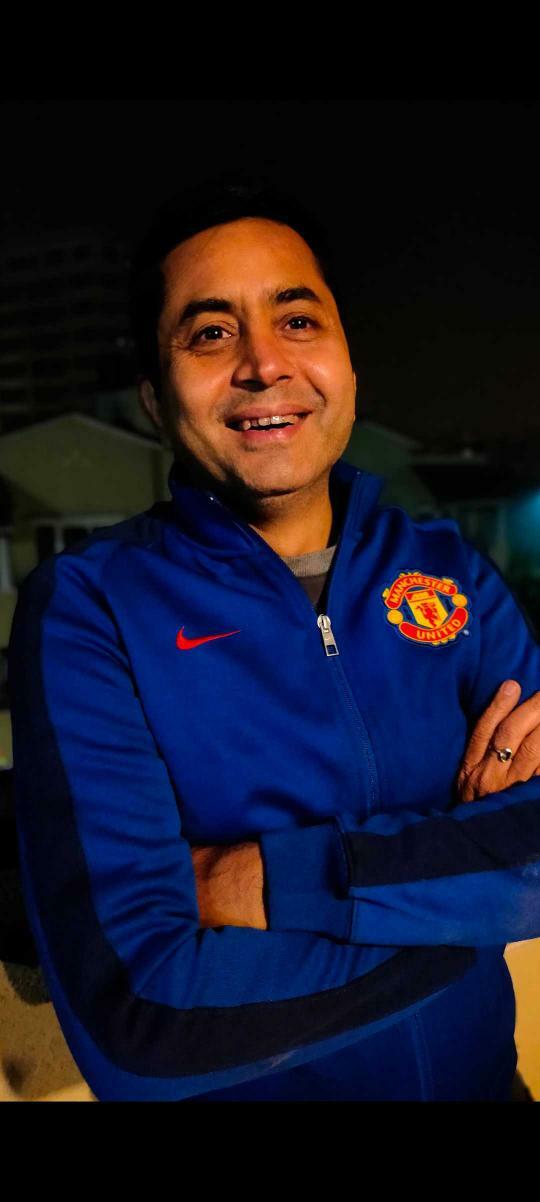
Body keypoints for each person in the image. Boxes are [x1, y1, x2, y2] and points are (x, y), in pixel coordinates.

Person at [8, 180, 540, 1102]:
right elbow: (144, 1022)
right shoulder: (91, 608)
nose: (263, 364)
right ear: (152, 397)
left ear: (347, 363)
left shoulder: (450, 571)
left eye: (298, 320)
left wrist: (270, 880)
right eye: (211, 333)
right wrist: (470, 901)